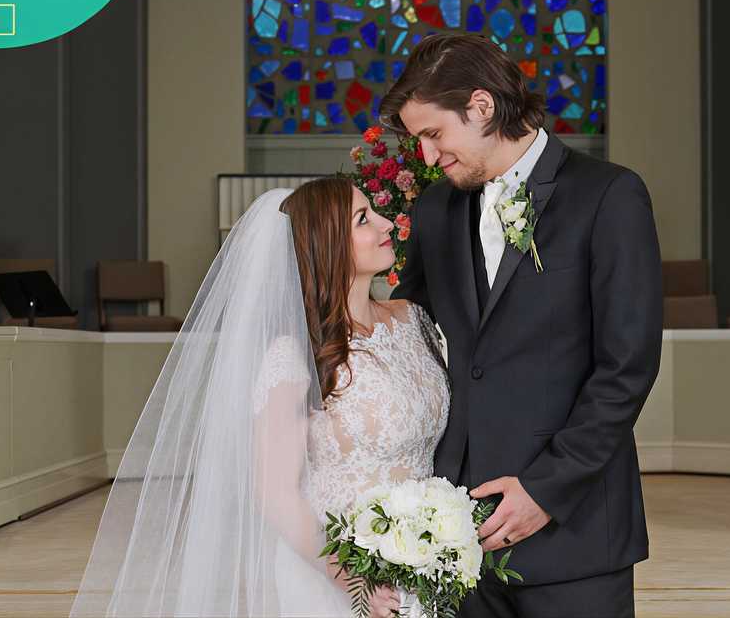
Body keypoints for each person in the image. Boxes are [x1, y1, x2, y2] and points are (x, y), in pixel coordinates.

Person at [70, 178, 449, 618]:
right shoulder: (294, 356)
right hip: (337, 575)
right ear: (326, 245)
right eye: (363, 219)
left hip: (425, 563)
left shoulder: (414, 321)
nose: (386, 225)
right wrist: (355, 581)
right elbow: (274, 493)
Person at [382, 33, 664, 618]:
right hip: (454, 536)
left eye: (434, 134)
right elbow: (407, 340)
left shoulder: (609, 195)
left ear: (482, 107)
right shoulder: (434, 209)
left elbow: (627, 366)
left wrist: (546, 490)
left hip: (575, 531)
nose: (427, 157)